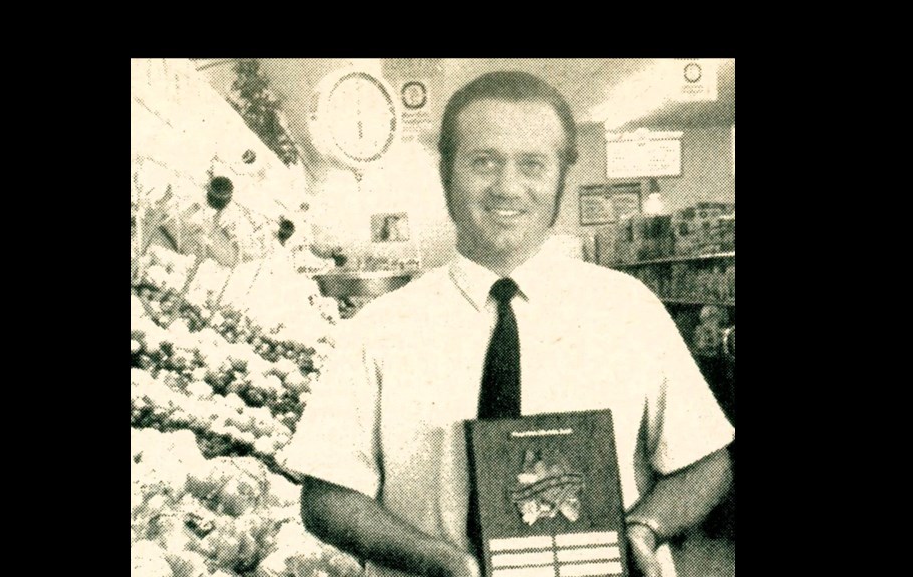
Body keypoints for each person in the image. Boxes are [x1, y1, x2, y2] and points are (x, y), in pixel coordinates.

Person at [282, 71, 734, 577]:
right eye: (484, 162)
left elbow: (705, 461)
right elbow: (326, 497)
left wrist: (645, 527)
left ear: (561, 176)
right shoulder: (379, 330)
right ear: (446, 172)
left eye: (533, 164)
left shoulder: (630, 310)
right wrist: (441, 562)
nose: (508, 187)